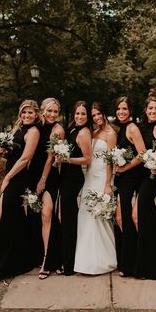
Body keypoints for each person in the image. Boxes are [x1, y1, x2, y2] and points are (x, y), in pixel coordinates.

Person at [0, 100, 40, 280]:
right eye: (24, 113)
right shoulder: (16, 129)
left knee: (6, 219)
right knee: (5, 219)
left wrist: (8, 178)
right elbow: (8, 154)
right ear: (20, 113)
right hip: (10, 175)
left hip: (18, 179)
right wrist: (2, 151)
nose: (26, 116)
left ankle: (8, 265)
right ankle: (16, 260)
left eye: (30, 113)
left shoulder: (33, 132)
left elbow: (25, 159)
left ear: (36, 115)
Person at [74, 102, 117, 274]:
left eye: (99, 114)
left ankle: (105, 260)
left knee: (100, 218)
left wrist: (108, 184)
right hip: (90, 177)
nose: (97, 118)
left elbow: (110, 160)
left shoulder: (110, 133)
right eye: (94, 116)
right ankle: (85, 261)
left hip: (102, 179)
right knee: (85, 216)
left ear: (105, 114)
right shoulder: (94, 131)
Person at [132, 95, 156, 280]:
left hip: (153, 177)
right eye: (150, 108)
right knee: (149, 215)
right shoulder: (140, 127)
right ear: (145, 110)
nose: (153, 111)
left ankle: (149, 266)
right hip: (140, 176)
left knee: (140, 214)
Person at [28, 97, 65, 279]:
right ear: (42, 110)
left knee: (46, 213)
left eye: (55, 112)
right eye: (49, 111)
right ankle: (38, 255)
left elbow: (50, 158)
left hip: (49, 177)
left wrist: (43, 180)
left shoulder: (58, 130)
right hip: (32, 175)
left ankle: (47, 260)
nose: (52, 114)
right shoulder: (35, 126)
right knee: (36, 215)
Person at [113, 96, 146, 277]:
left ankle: (133, 260)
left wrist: (125, 167)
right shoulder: (121, 128)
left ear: (130, 111)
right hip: (121, 178)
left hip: (131, 177)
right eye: (118, 109)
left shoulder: (132, 128)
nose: (121, 112)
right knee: (120, 218)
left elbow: (142, 154)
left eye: (124, 109)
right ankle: (128, 259)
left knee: (123, 217)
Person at [59, 100, 92, 276]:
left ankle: (69, 264)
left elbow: (87, 159)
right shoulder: (72, 128)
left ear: (87, 117)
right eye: (77, 113)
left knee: (69, 219)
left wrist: (67, 160)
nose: (79, 117)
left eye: (83, 114)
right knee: (65, 216)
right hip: (65, 176)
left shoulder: (84, 132)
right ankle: (66, 258)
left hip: (73, 178)